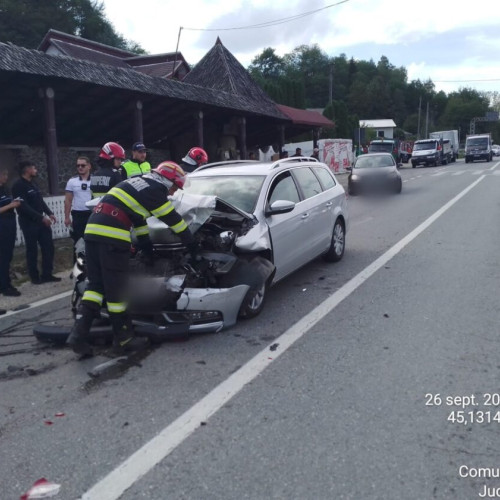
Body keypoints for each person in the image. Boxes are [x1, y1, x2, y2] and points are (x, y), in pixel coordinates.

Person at [67, 161, 197, 357]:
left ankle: (78, 336)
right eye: (173, 188)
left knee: (96, 287)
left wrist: (146, 246)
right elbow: (174, 221)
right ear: (166, 181)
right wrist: (192, 245)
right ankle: (124, 339)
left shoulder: (138, 183)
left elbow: (138, 219)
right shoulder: (155, 190)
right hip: (112, 237)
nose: (172, 193)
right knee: (117, 293)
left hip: (92, 233)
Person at [11, 161, 61, 285]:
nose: (36, 170)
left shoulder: (33, 184)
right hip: (29, 222)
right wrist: (41, 218)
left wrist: (49, 213)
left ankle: (47, 274)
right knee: (32, 250)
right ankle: (34, 277)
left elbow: (40, 201)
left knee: (48, 247)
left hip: (40, 220)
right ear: (27, 170)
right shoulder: (18, 186)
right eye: (34, 168)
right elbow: (23, 207)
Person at [0, 167, 21, 296]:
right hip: (2, 224)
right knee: (3, 256)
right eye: (3, 174)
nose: (6, 177)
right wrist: (10, 205)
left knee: (8, 256)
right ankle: (4, 286)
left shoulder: (5, 189)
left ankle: (6, 282)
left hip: (10, 222)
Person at [64, 156, 92, 247]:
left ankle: (92, 261)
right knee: (79, 242)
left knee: (92, 241)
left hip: (92, 214)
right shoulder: (72, 181)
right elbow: (68, 200)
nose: (80, 167)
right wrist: (67, 217)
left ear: (89, 166)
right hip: (78, 215)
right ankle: (78, 261)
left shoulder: (95, 180)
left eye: (83, 165)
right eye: (78, 165)